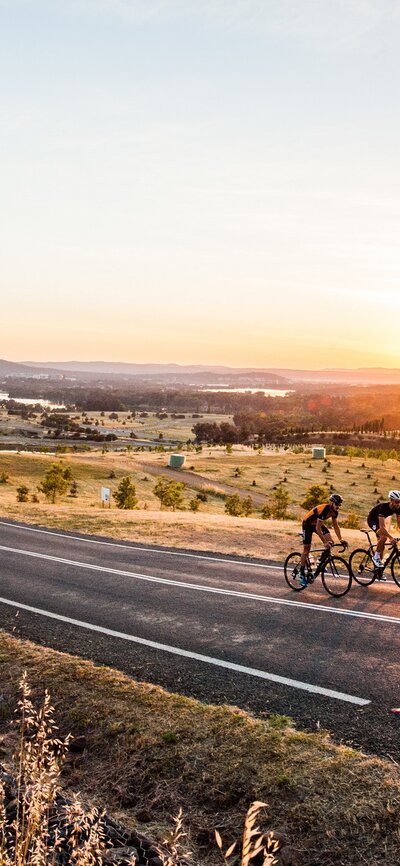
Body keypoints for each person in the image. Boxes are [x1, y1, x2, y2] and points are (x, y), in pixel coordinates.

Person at [299, 493, 347, 588]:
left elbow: (336, 526)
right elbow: (318, 528)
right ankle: (301, 574)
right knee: (306, 550)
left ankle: (320, 561)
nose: (338, 506)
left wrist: (341, 539)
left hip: (317, 524)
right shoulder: (324, 510)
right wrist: (324, 542)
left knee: (331, 542)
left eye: (339, 504)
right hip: (308, 524)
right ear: (331, 503)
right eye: (337, 504)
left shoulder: (335, 512)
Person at [367, 490, 400, 573]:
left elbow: (399, 525)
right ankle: (375, 557)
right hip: (372, 520)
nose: (398, 504)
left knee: (382, 547)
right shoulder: (383, 508)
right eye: (396, 502)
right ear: (391, 500)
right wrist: (391, 538)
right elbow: (382, 527)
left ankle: (378, 570)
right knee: (384, 537)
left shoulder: (398, 508)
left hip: (380, 522)